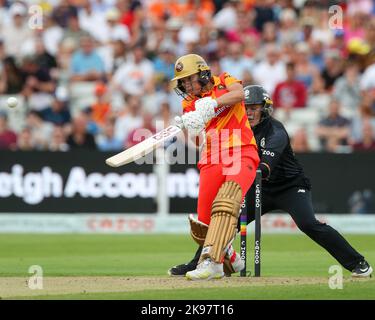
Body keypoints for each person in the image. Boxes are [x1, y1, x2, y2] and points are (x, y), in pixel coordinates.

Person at [169, 85, 373, 278]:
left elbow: (265, 166)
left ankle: (357, 263)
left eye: (254, 108)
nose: (248, 113)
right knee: (224, 219)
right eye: (245, 108)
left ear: (264, 109)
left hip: (290, 187)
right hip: (259, 189)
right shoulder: (238, 130)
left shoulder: (276, 130)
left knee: (308, 223)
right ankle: (198, 263)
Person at [171, 54, 260, 280]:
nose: (187, 86)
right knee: (202, 224)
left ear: (203, 73)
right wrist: (191, 128)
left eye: (190, 80)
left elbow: (240, 94)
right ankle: (228, 253)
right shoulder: (188, 103)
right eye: (183, 82)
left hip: (241, 150)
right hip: (211, 158)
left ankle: (211, 263)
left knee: (227, 201)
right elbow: (199, 141)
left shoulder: (225, 80)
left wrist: (214, 103)